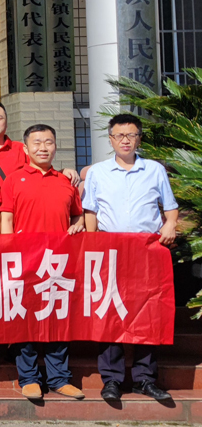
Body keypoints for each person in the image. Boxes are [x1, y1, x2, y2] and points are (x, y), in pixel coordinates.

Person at [83, 113, 178, 402]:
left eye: (131, 135)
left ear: (139, 139)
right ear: (111, 139)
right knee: (110, 313)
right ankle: (112, 379)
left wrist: (170, 224)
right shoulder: (98, 172)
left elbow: (170, 206)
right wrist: (93, 243)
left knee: (148, 313)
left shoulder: (154, 170)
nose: (125, 140)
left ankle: (144, 379)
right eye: (120, 135)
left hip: (146, 251)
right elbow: (90, 211)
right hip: (110, 251)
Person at [0, 124, 85, 401]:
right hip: (24, 261)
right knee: (24, 321)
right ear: (25, 148)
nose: (43, 148)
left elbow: (77, 216)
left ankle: (59, 378)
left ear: (56, 146)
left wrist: (78, 225)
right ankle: (29, 378)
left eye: (48, 142)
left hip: (58, 263)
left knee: (57, 320)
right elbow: (6, 219)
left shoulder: (65, 181)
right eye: (36, 143)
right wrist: (9, 255)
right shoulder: (13, 180)